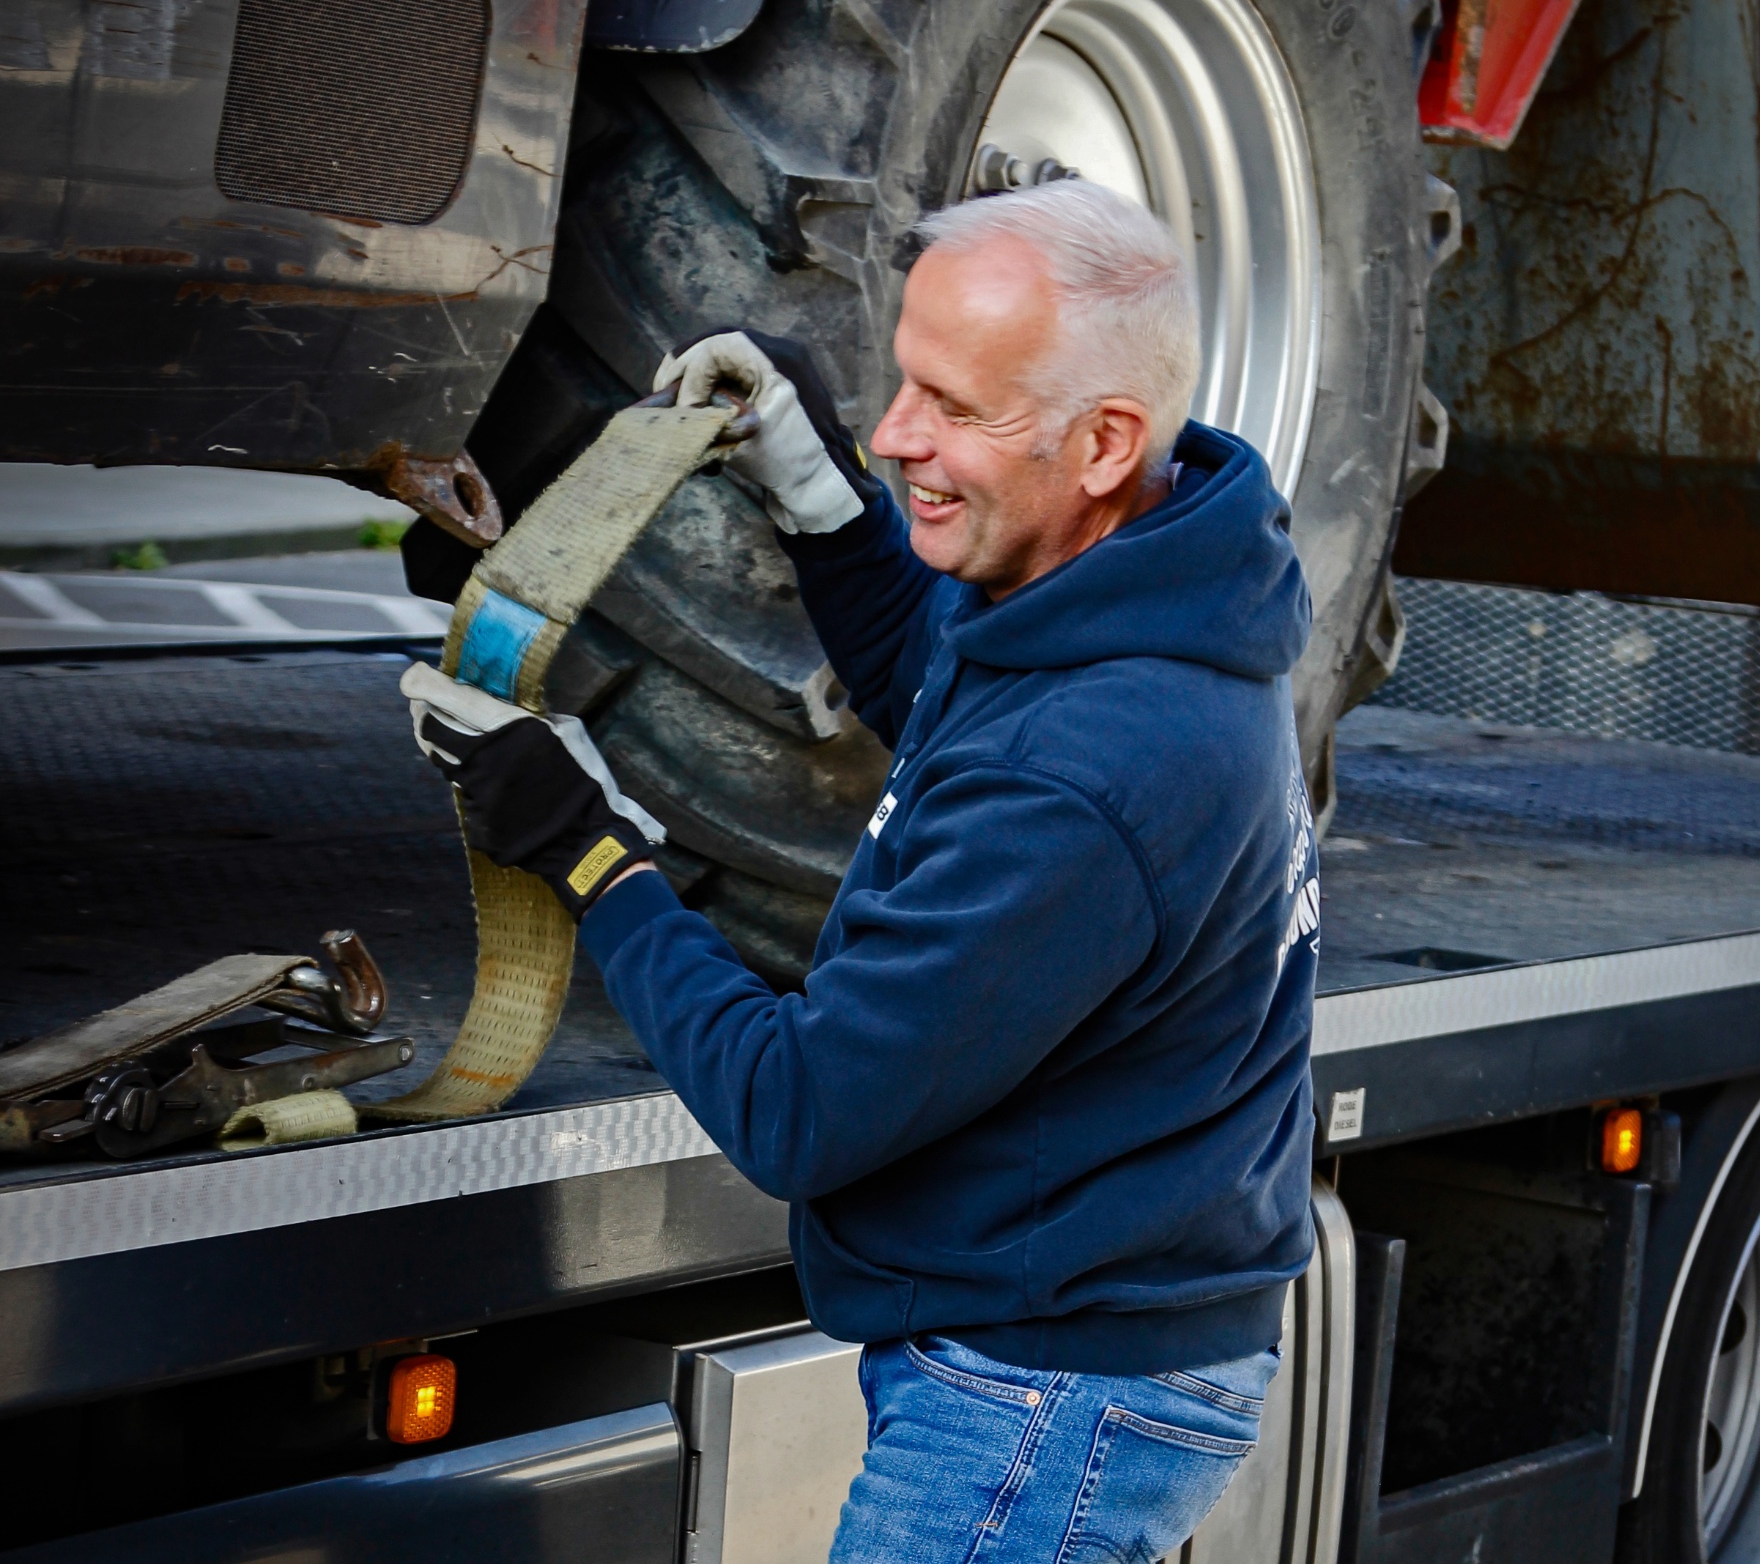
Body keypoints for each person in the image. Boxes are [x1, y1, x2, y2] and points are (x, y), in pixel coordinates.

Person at [410, 179, 1323, 1561]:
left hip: (1046, 1393)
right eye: (902, 386)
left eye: (954, 409)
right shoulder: (1120, 587)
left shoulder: (1088, 772)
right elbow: (942, 678)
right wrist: (819, 495)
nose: (901, 434)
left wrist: (587, 845)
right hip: (1060, 1346)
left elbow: (798, 1111)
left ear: (1103, 442)